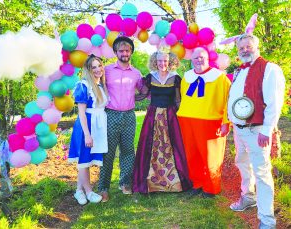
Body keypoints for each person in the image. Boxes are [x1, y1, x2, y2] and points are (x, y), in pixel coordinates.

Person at [227, 33, 285, 229]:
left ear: (256, 46)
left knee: (261, 173)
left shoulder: (270, 69)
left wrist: (267, 130)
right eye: (241, 48)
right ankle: (248, 197)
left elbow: (274, 103)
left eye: (248, 46)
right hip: (239, 129)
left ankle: (267, 220)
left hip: (257, 129)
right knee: (242, 163)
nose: (244, 50)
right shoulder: (239, 71)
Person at [133, 51, 192, 193]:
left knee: (172, 146)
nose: (162, 64)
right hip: (153, 116)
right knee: (151, 146)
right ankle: (152, 181)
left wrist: (182, 115)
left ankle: (175, 182)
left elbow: (178, 99)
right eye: (160, 61)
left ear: (170, 62)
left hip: (170, 116)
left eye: (165, 61)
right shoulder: (150, 77)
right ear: (155, 61)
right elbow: (143, 95)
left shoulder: (176, 78)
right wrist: (125, 96)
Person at [177, 47, 231, 198]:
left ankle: (211, 187)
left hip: (210, 122)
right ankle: (197, 183)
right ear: (191, 60)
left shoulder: (220, 77)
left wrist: (226, 121)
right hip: (187, 120)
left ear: (208, 59)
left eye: (202, 57)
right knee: (192, 155)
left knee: (211, 156)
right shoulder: (187, 76)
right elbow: (183, 97)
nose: (199, 60)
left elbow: (229, 100)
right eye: (195, 58)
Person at [98, 36, 143, 202]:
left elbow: (143, 90)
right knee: (108, 152)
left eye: (127, 50)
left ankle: (125, 183)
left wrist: (134, 98)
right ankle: (103, 188)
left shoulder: (137, 73)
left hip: (129, 116)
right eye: (121, 50)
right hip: (111, 115)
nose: (124, 53)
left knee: (128, 151)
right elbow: (96, 86)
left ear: (131, 52)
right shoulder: (107, 70)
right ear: (116, 52)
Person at [68, 54, 108, 205]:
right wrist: (87, 134)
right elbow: (81, 112)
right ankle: (89, 192)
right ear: (88, 70)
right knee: (84, 159)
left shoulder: (99, 85)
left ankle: (79, 191)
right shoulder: (83, 85)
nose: (98, 69)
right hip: (87, 125)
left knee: (86, 160)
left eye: (99, 66)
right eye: (94, 67)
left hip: (98, 124)